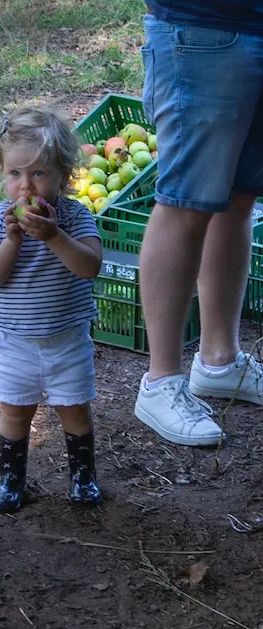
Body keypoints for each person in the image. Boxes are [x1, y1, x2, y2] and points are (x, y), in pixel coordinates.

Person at [135, 1, 263, 447]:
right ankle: (161, 382)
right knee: (185, 202)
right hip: (201, 25)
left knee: (239, 198)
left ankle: (219, 362)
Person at [0, 106, 103, 513]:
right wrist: (13, 242)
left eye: (38, 174)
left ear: (63, 175)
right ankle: (11, 481)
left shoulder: (75, 217)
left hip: (67, 339)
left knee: (74, 410)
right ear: (3, 175)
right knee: (14, 412)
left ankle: (83, 478)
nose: (25, 185)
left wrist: (54, 236)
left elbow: (89, 267)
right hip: (14, 342)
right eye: (15, 174)